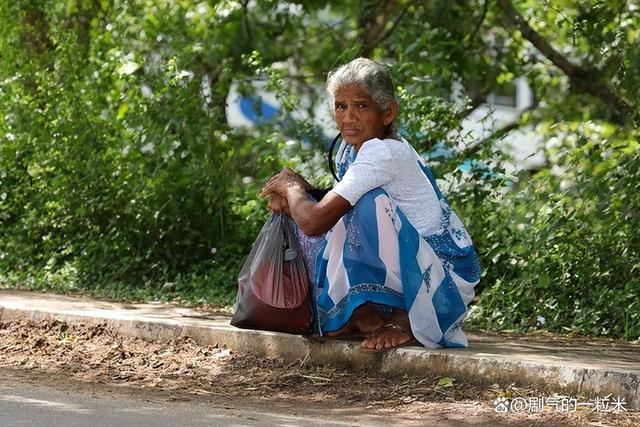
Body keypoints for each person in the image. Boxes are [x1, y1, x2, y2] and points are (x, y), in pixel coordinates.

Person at [259, 58, 481, 352]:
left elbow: (314, 222)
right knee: (336, 204)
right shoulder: (353, 147)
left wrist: (290, 188)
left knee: (365, 204)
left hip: (440, 278)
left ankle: (405, 319)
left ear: (387, 112)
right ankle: (363, 313)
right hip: (421, 265)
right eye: (341, 106)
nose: (348, 117)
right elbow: (330, 201)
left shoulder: (383, 152)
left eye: (361, 106)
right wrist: (295, 192)